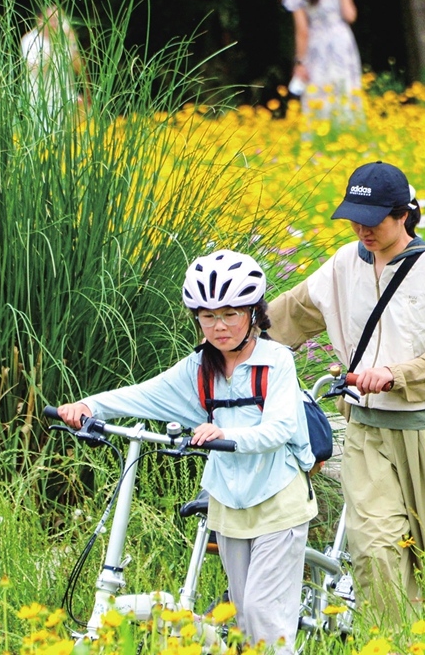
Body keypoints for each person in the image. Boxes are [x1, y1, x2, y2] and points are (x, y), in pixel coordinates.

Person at [56, 250, 316, 652]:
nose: (218, 326)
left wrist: (224, 433)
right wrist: (91, 405)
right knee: (244, 617)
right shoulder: (199, 368)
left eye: (230, 314)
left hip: (278, 499)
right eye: (207, 316)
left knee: (265, 616)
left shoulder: (276, 362)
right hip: (228, 501)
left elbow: (281, 427)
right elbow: (146, 395)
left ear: (253, 313)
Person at [266, 161, 425, 622]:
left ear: (403, 215)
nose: (362, 228)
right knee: (374, 550)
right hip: (366, 431)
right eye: (355, 217)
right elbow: (289, 317)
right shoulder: (343, 265)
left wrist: (396, 374)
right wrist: (228, 340)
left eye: (374, 218)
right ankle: (392, 642)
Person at [281, 0, 365, 126]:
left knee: (319, 86)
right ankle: (349, 127)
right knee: (345, 84)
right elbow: (350, 16)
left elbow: (302, 31)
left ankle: (321, 129)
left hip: (317, 43)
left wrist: (300, 62)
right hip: (342, 40)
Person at [21, 4, 85, 129]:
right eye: (52, 19)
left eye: (58, 19)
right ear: (40, 20)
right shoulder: (29, 40)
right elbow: (38, 68)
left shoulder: (65, 40)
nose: (56, 24)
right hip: (40, 104)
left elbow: (78, 68)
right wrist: (55, 43)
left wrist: (72, 42)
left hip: (66, 102)